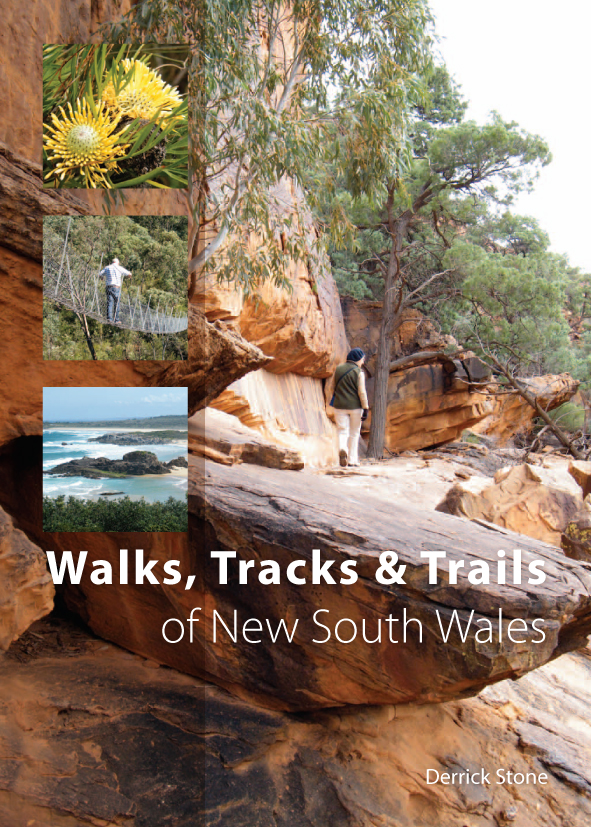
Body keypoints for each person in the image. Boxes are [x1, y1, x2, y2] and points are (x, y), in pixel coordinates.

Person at [332, 347, 369, 467]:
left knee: (342, 431)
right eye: (362, 359)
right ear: (357, 359)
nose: (363, 362)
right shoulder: (359, 372)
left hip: (339, 406)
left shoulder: (338, 369)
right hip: (356, 407)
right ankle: (352, 460)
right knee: (354, 433)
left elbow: (333, 386)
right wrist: (366, 408)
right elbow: (362, 392)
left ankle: (342, 449)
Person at [99, 257, 132, 324]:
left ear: (112, 262)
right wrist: (128, 277)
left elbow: (100, 274)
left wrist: (102, 278)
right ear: (118, 263)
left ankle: (109, 318)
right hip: (116, 287)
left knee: (109, 303)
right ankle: (116, 320)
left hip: (108, 287)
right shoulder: (119, 268)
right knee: (117, 304)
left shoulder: (107, 268)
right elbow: (129, 273)